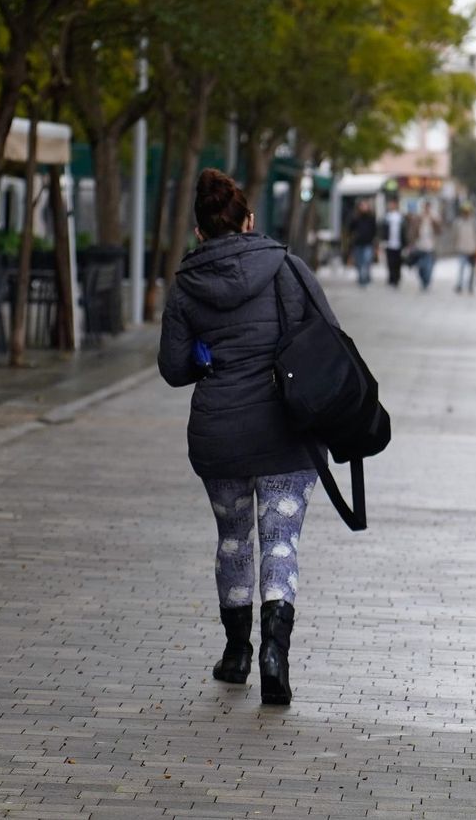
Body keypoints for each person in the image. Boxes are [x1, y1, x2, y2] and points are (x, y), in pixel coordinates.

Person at [157, 168, 339, 706]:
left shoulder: (186, 284)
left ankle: (236, 653)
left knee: (234, 540)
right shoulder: (288, 268)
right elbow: (329, 336)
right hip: (287, 431)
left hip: (221, 435)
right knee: (279, 542)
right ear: (249, 220)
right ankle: (274, 656)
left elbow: (172, 367)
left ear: (199, 232)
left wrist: (204, 358)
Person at [406, 206, 441, 292]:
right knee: (420, 267)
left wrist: (434, 220)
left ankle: (426, 282)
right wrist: (411, 244)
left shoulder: (433, 221)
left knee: (428, 267)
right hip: (419, 247)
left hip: (430, 248)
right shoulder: (418, 220)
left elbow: (439, 231)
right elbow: (412, 232)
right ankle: (423, 281)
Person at [451, 206, 476, 294]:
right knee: (461, 268)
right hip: (462, 249)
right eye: (464, 212)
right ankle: (460, 285)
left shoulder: (475, 223)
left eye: (467, 212)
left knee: (472, 269)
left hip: (472, 250)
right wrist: (455, 245)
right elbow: (454, 235)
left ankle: (470, 285)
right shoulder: (458, 223)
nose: (466, 214)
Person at [347, 200, 378, 287]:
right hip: (357, 243)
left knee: (367, 261)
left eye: (365, 205)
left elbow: (374, 231)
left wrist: (375, 241)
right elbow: (350, 229)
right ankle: (361, 278)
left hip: (368, 243)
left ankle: (366, 278)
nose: (364, 207)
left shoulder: (371, 218)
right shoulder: (355, 218)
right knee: (359, 262)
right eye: (362, 206)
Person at [381, 199, 407, 288]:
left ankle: (397, 278)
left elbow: (404, 231)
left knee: (398, 262)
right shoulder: (386, 217)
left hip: (399, 244)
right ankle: (391, 278)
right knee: (390, 262)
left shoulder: (400, 217)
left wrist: (405, 243)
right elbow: (382, 230)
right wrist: (383, 240)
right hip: (389, 243)